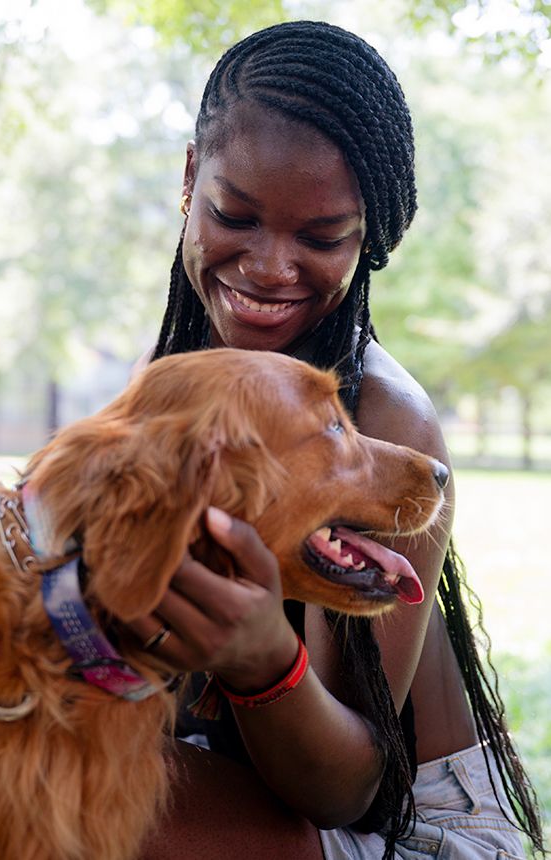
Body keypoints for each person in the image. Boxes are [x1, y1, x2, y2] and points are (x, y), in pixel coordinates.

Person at [130, 20, 543, 860]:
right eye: (233, 214)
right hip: (237, 783)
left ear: (369, 240)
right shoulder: (175, 375)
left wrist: (259, 659)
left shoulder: (385, 423)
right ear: (187, 180)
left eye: (322, 239)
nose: (271, 266)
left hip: (410, 827)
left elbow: (345, 785)